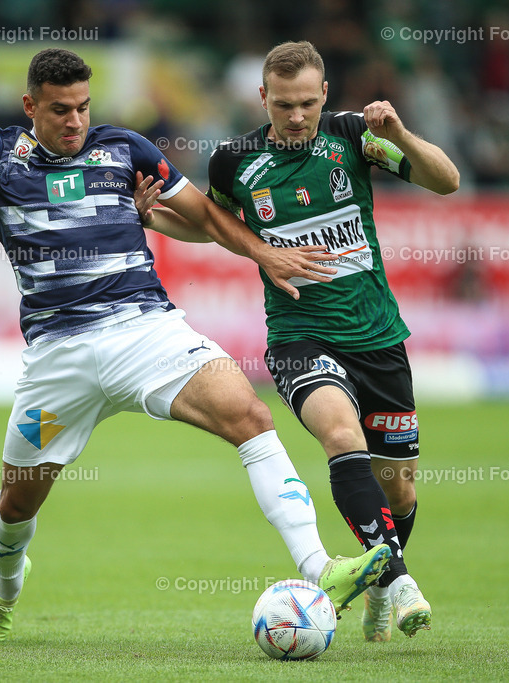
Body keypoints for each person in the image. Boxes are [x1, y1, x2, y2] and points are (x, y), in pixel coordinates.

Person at [0, 47, 391, 643]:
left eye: (84, 108)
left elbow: (209, 218)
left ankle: (321, 567)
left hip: (146, 330)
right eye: (60, 110)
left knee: (250, 415)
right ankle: (6, 589)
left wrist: (263, 253)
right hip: (58, 355)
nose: (75, 122)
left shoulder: (127, 150)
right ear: (30, 105)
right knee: (16, 506)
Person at [139, 41, 459, 640]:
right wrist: (152, 216)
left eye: (307, 103)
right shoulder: (234, 161)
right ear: (263, 97)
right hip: (298, 335)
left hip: (379, 337)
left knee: (401, 485)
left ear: (325, 96)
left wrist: (403, 134)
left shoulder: (355, 136)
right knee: (342, 435)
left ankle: (377, 580)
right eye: (283, 104)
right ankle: (400, 581)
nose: (295, 116)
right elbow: (215, 229)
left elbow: (447, 181)